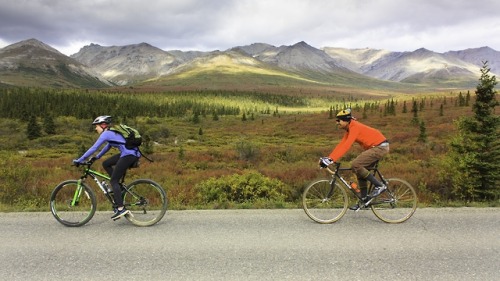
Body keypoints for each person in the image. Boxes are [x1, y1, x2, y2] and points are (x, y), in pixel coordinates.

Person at [319, 109, 389, 210]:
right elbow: (341, 144)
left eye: (339, 120)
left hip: (380, 147)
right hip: (375, 147)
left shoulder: (354, 127)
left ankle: (379, 186)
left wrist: (331, 160)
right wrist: (329, 158)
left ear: (346, 121)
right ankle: (364, 200)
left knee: (355, 164)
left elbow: (347, 145)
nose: (337, 122)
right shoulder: (349, 129)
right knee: (359, 172)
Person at [73, 115, 141, 220]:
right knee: (106, 163)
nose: (95, 128)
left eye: (96, 126)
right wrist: (96, 157)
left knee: (113, 180)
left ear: (103, 125)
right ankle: (118, 187)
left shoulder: (106, 134)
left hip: (129, 155)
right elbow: (107, 147)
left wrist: (80, 159)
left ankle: (120, 208)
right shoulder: (111, 133)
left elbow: (94, 148)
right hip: (130, 154)